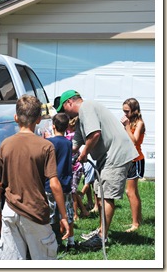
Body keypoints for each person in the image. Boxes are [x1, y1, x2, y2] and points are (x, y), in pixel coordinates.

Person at [56, 90, 139, 250]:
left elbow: (94, 134)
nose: (64, 114)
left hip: (116, 154)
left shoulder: (87, 107)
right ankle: (101, 230)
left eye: (63, 109)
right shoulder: (82, 117)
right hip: (106, 157)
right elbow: (75, 143)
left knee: (106, 196)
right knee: (99, 194)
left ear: (70, 103)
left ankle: (102, 237)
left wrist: (85, 153)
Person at [0, 95, 69, 260]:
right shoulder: (46, 146)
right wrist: (64, 216)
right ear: (39, 119)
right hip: (35, 213)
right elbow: (54, 184)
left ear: (15, 118)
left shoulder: (5, 144)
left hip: (10, 211)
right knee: (43, 260)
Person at [45, 113, 77, 252]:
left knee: (51, 215)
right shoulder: (68, 143)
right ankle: (71, 242)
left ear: (53, 126)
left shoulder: (49, 142)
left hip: (50, 184)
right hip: (66, 184)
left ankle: (56, 242)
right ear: (66, 127)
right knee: (68, 213)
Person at [121, 98, 145, 232]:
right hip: (129, 159)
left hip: (136, 160)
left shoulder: (139, 123)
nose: (125, 114)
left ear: (134, 110)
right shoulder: (129, 122)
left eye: (127, 111)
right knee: (133, 192)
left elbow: (134, 141)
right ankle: (138, 220)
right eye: (123, 111)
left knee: (130, 192)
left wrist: (126, 126)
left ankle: (135, 224)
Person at [66, 117, 90, 221]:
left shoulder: (70, 136)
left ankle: (75, 214)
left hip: (75, 167)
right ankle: (84, 211)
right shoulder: (71, 135)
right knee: (73, 191)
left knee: (72, 192)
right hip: (75, 167)